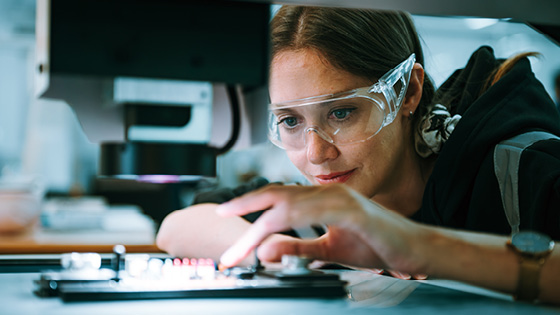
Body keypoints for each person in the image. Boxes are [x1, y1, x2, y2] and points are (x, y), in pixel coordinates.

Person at [156, 6, 560, 275]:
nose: (316, 154)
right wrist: (289, 251)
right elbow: (176, 228)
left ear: (409, 92)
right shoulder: (327, 213)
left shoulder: (520, 173)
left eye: (342, 113)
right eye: (290, 121)